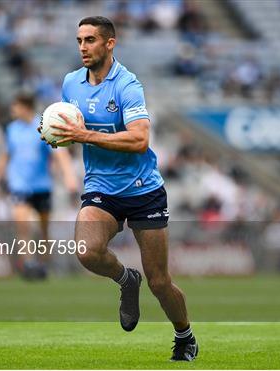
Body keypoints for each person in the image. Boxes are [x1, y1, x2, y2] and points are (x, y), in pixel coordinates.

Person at [39, 16, 198, 361]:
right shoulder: (71, 83)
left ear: (110, 44)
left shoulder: (127, 85)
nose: (83, 47)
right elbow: (73, 125)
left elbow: (140, 139)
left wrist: (83, 136)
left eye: (91, 40)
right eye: (79, 40)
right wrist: (57, 135)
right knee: (86, 251)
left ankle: (184, 335)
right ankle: (126, 279)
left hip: (143, 190)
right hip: (101, 189)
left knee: (159, 281)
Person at [0, 93, 77, 279]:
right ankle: (28, 264)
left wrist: (69, 176)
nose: (13, 110)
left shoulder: (43, 126)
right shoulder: (12, 129)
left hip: (42, 186)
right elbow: (5, 156)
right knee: (23, 226)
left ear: (26, 107)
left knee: (44, 229)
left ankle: (43, 265)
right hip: (19, 185)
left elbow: (59, 154)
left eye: (16, 105)